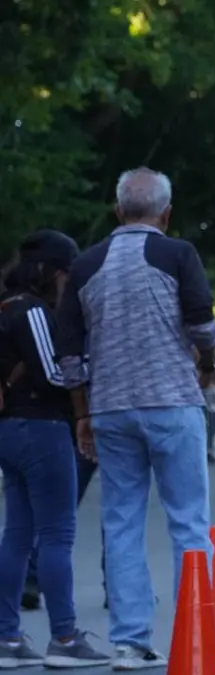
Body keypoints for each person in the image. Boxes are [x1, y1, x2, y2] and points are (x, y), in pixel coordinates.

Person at [56, 167, 215, 668]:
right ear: (166, 214)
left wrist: (82, 413)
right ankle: (195, 635)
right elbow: (203, 324)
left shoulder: (86, 265)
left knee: (121, 523)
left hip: (110, 410)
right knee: (188, 522)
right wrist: (209, 364)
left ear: (116, 211)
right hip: (172, 404)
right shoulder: (177, 254)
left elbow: (68, 354)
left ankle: (131, 642)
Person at [0, 230, 110, 668]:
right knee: (57, 536)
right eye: (68, 274)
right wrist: (85, 385)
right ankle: (64, 638)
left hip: (9, 430)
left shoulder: (4, 308)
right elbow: (54, 372)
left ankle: (7, 639)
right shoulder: (34, 312)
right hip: (42, 430)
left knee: (17, 535)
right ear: (53, 272)